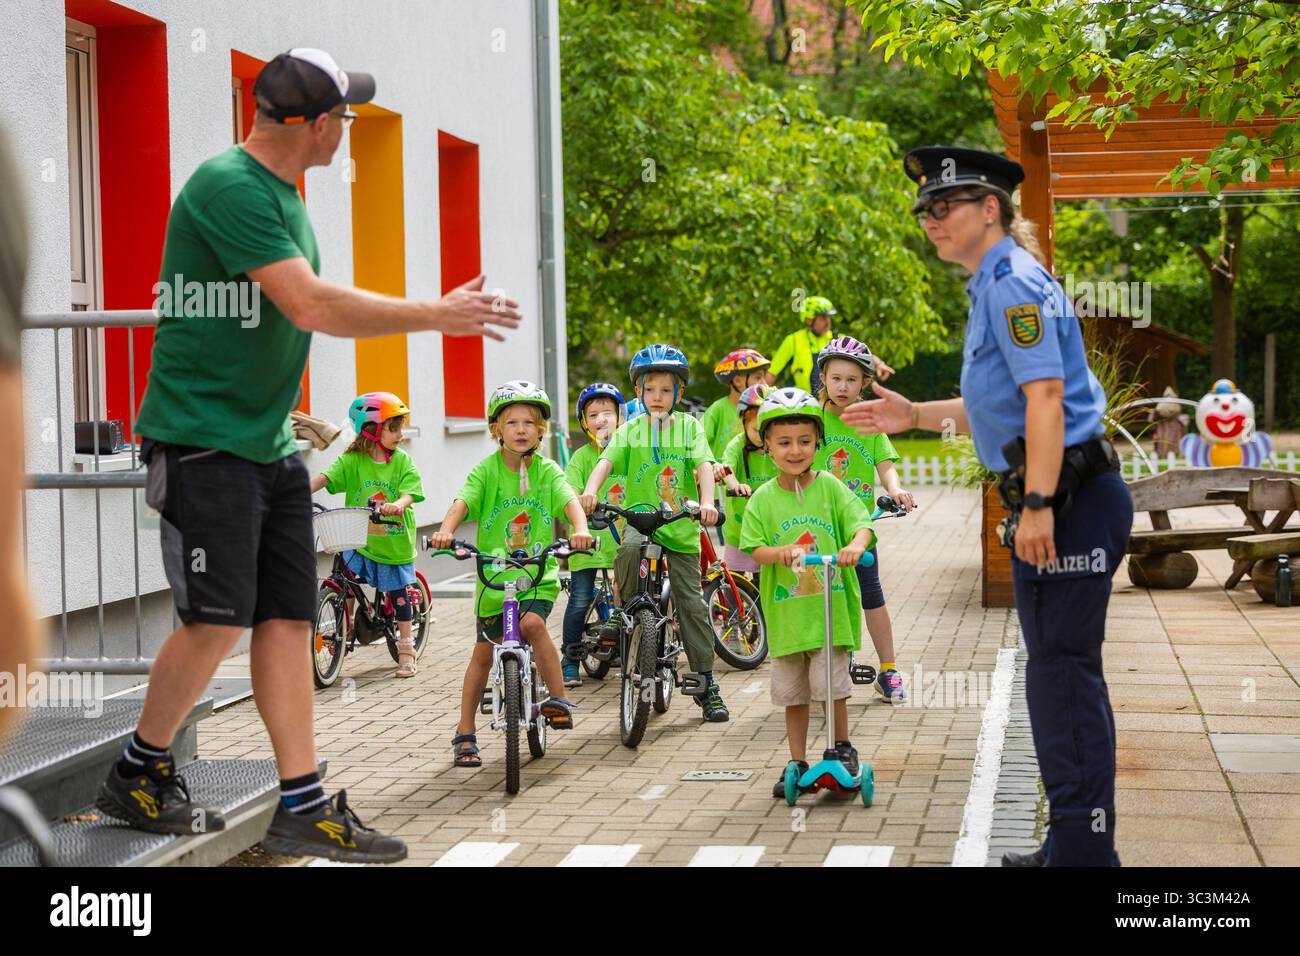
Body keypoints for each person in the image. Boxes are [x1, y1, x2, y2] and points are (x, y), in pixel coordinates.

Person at [96, 49, 521, 864]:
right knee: (217, 616)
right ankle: (138, 769)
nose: (348, 129)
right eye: (346, 115)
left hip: (266, 440)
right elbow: (311, 304)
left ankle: (302, 803)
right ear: (317, 125)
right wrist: (437, 313)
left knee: (288, 616)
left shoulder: (289, 191)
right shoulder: (230, 186)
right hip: (203, 439)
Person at [844, 145, 1131, 867]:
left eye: (944, 207)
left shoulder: (1013, 285)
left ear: (990, 209)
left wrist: (1037, 504)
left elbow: (1045, 398)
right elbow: (996, 407)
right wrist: (912, 415)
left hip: (1068, 500)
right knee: (1057, 674)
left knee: (1063, 677)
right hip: (1060, 496)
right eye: (924, 211)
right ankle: (1070, 840)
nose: (930, 220)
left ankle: (1086, 857)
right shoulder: (993, 286)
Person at [429, 382, 594, 768]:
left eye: (529, 423)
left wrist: (580, 528)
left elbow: (569, 501)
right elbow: (462, 501)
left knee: (534, 625)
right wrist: (446, 531)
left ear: (541, 430)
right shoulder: (486, 471)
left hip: (536, 574)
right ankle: (465, 730)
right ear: (496, 429)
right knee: (483, 654)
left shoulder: (547, 470)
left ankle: (558, 700)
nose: (521, 429)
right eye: (512, 422)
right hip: (494, 578)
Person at [579, 344, 730, 722]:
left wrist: (707, 502)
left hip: (679, 527)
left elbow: (705, 466)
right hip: (641, 523)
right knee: (628, 551)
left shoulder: (689, 427)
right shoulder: (630, 430)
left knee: (692, 606)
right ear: (638, 393)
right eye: (649, 390)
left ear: (679, 393)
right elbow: (605, 461)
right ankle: (624, 611)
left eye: (666, 390)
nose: (657, 398)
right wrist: (591, 491)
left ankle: (706, 681)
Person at [736, 389, 874, 797]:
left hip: (829, 614)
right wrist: (778, 553)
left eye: (804, 441)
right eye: (784, 442)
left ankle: (842, 748)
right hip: (788, 620)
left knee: (832, 688)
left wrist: (855, 547)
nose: (795, 450)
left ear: (818, 442)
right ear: (767, 446)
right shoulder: (763, 498)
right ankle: (796, 759)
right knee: (793, 695)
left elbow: (860, 522)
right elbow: (753, 545)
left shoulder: (830, 487)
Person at [814, 336, 915, 702]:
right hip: (814, 528)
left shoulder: (869, 419)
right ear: (823, 376)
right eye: (836, 378)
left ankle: (888, 670)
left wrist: (896, 489)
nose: (843, 387)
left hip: (857, 529)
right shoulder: (810, 418)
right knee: (812, 598)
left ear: (864, 383)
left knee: (871, 596)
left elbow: (885, 466)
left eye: (852, 380)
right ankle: (817, 667)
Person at [310, 392, 424, 678]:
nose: (400, 434)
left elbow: (411, 492)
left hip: (392, 540)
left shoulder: (402, 462)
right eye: (393, 428)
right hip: (359, 538)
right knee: (345, 580)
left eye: (400, 427)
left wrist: (398, 504)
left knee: (398, 594)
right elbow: (326, 477)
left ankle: (407, 649)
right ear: (372, 430)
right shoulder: (353, 460)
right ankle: (343, 631)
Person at [561, 382, 626, 686]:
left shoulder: (628, 452)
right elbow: (569, 491)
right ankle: (570, 657)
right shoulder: (582, 458)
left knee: (631, 599)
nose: (601, 419)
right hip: (588, 541)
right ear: (585, 423)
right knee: (579, 599)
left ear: (620, 417)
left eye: (608, 413)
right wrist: (580, 501)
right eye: (594, 414)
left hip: (623, 542)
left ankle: (633, 651)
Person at [716, 383, 777, 578]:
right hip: (738, 531)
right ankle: (734, 608)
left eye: (766, 430)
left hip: (768, 530)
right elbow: (726, 467)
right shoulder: (738, 444)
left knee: (765, 582)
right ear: (743, 421)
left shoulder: (776, 446)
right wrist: (736, 485)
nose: (761, 437)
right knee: (735, 579)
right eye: (755, 429)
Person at [700, 349, 770, 459]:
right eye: (758, 377)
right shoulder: (718, 409)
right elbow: (696, 444)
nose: (764, 384)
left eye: (764, 377)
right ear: (738, 381)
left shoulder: (763, 411)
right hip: (720, 474)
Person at [768, 296, 837, 394]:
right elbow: (772, 373)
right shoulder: (793, 340)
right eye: (823, 317)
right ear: (809, 320)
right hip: (801, 403)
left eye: (829, 317)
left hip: (830, 402)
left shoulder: (838, 340)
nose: (828, 322)